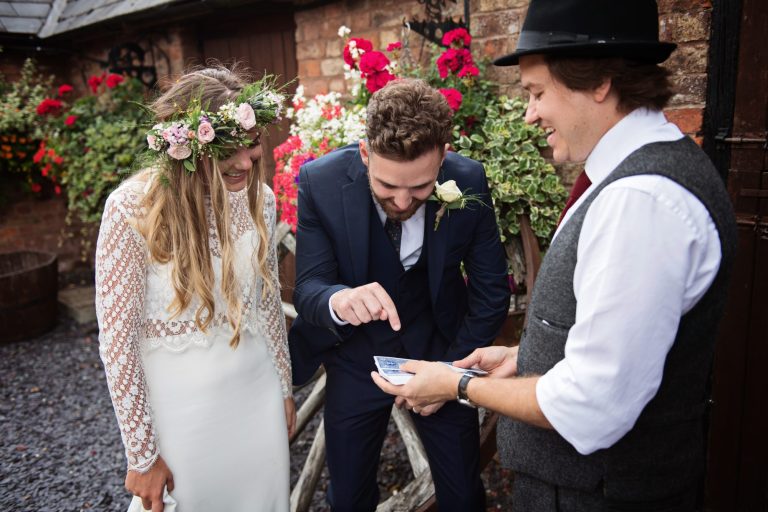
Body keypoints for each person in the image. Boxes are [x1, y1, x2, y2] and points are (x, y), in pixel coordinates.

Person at [372, 1, 738, 510]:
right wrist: (527, 357)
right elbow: (626, 343)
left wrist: (456, 384)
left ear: (600, 82)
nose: (530, 113)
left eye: (537, 92)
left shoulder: (642, 200)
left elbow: (593, 403)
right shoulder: (631, 178)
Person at [288, 78, 510, 511]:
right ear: (366, 153)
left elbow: (489, 293)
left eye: (422, 188)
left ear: (443, 157)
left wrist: (449, 374)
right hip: (356, 359)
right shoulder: (321, 183)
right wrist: (339, 300)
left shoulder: (469, 179)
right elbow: (309, 288)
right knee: (348, 497)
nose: (404, 201)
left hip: (443, 352)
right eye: (388, 187)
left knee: (464, 493)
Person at [95, 66, 295, 512]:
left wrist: (284, 388)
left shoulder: (260, 199)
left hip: (256, 397)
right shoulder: (132, 208)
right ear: (186, 148)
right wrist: (142, 454)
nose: (246, 162)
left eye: (252, 145)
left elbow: (266, 306)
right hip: (182, 412)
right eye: (229, 152)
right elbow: (117, 343)